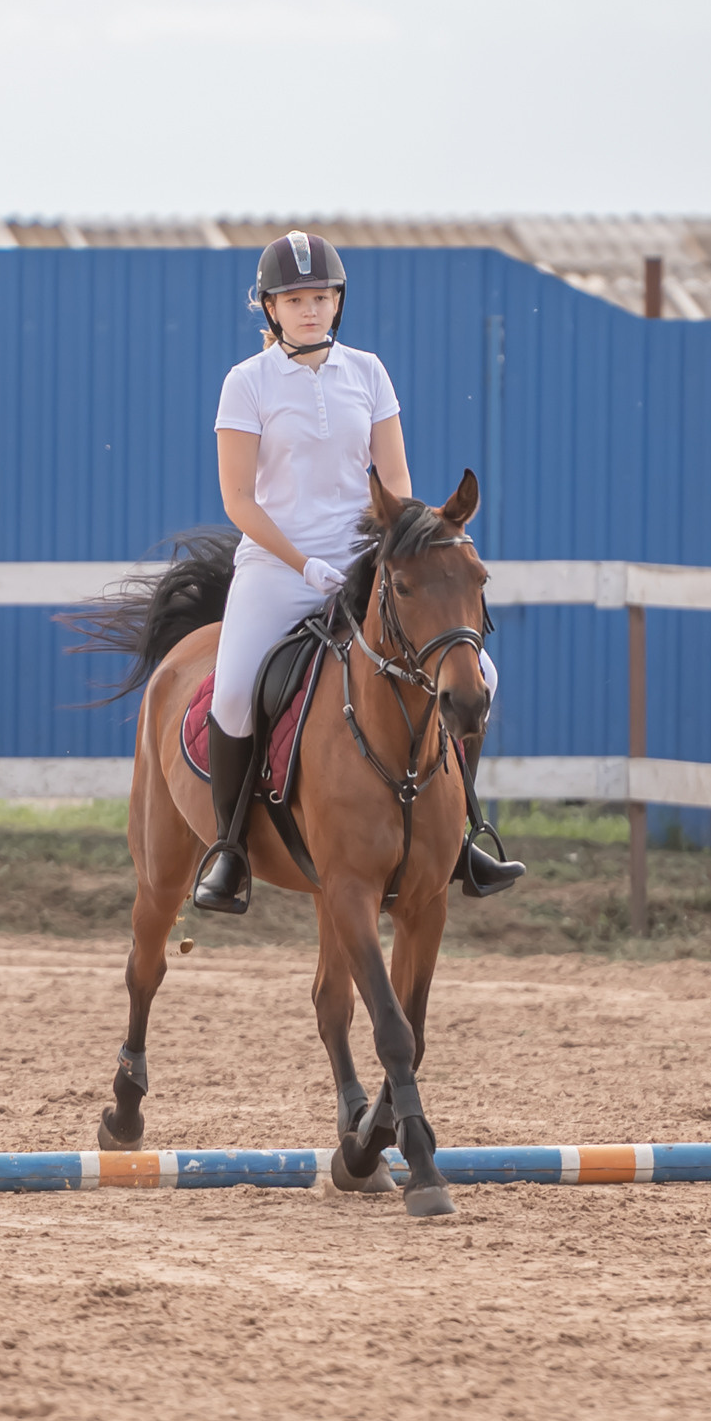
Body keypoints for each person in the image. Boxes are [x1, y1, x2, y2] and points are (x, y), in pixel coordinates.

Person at [192, 230, 522, 914]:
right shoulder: (244, 383)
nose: (309, 309)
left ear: (337, 301)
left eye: (321, 296)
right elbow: (237, 500)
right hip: (276, 565)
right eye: (294, 299)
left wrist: (410, 544)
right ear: (269, 308)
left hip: (363, 558)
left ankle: (457, 836)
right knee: (231, 694)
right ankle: (227, 850)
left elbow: (394, 481)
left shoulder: (367, 372)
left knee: (480, 676)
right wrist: (301, 562)